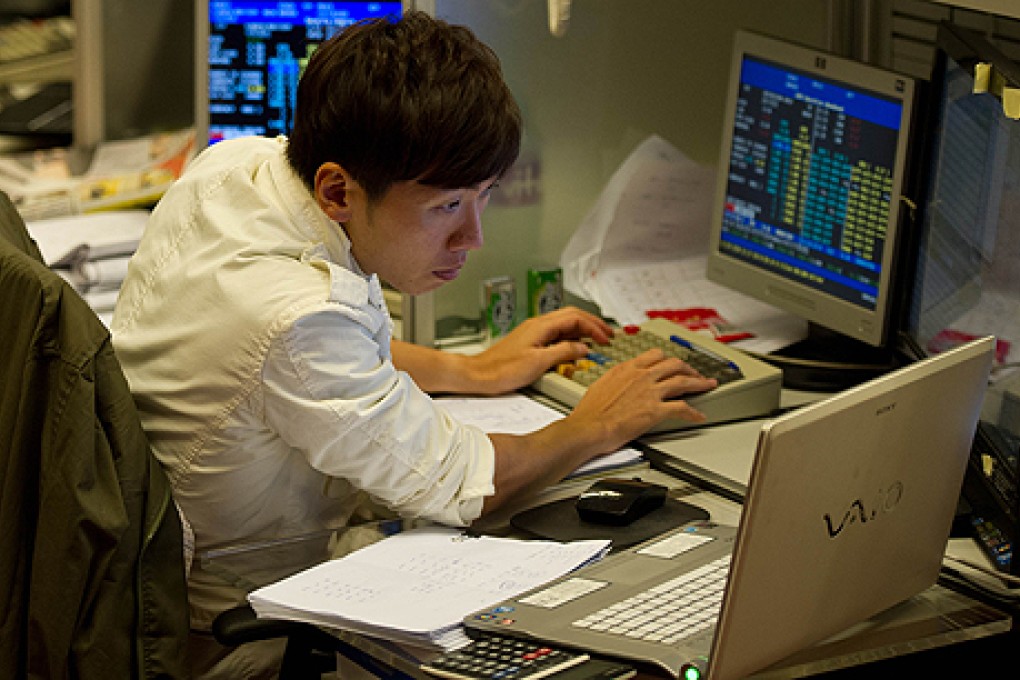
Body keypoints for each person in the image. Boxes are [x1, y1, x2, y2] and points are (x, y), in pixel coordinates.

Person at [112, 10, 716, 678]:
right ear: (337, 191)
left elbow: (287, 359)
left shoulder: (233, 167)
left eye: (483, 196)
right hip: (235, 636)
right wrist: (593, 425)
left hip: (168, 577)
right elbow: (463, 483)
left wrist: (471, 369)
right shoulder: (298, 317)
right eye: (446, 207)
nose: (473, 237)